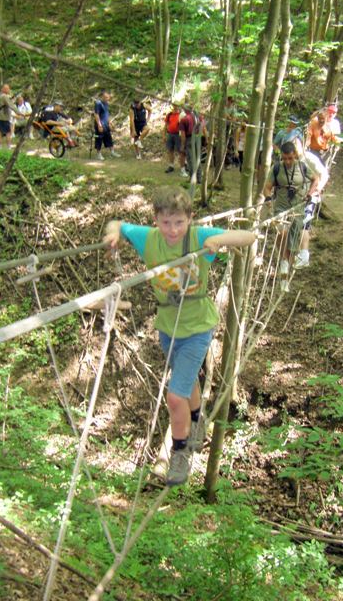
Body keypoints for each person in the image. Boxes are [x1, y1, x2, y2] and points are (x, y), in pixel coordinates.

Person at [103, 186, 256, 486]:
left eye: (179, 222)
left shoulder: (196, 237)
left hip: (198, 327)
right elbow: (118, 224)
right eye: (165, 222)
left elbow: (249, 236)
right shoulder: (148, 238)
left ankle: (180, 452)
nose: (172, 230)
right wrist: (113, 235)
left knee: (175, 396)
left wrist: (217, 240)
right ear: (156, 221)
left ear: (189, 220)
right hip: (167, 328)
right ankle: (198, 419)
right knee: (185, 386)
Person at [262, 141, 321, 291]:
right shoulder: (276, 168)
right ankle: (283, 266)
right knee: (282, 233)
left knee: (292, 246)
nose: (287, 161)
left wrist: (310, 193)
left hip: (297, 207)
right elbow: (267, 188)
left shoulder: (302, 167)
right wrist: (268, 199)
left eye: (290, 158)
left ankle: (285, 278)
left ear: (294, 155)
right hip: (281, 208)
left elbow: (316, 179)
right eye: (284, 158)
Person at [93, 90, 120, 161]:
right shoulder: (98, 103)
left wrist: (110, 123)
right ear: (102, 96)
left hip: (106, 124)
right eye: (105, 97)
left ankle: (112, 152)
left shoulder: (106, 104)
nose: (107, 98)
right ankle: (98, 154)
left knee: (109, 138)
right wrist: (99, 125)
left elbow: (106, 115)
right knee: (99, 139)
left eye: (108, 97)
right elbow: (96, 114)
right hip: (100, 124)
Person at [0, 84, 21, 148]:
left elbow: (8, 102)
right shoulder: (4, 96)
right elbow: (11, 105)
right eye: (7, 88)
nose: (8, 90)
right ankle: (9, 146)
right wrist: (19, 112)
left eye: (8, 88)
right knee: (8, 132)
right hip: (4, 117)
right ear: (3, 89)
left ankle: (0, 146)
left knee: (0, 131)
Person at [164, 102, 181, 173]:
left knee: (180, 150)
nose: (175, 106)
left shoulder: (181, 115)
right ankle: (171, 165)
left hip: (178, 134)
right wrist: (164, 135)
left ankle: (184, 165)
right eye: (174, 105)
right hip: (170, 134)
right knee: (170, 150)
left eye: (176, 105)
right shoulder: (169, 115)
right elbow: (166, 125)